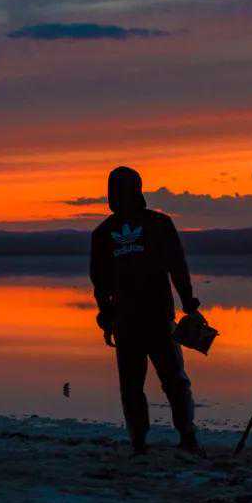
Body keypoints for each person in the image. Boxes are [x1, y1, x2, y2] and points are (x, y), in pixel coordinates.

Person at [89, 166, 203, 456]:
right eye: (113, 189)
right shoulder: (103, 234)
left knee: (174, 380)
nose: (116, 195)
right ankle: (139, 441)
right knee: (131, 386)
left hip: (159, 318)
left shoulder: (159, 224)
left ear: (136, 190)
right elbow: (100, 281)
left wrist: (189, 303)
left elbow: (177, 266)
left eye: (120, 189)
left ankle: (187, 435)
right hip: (126, 322)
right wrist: (106, 317)